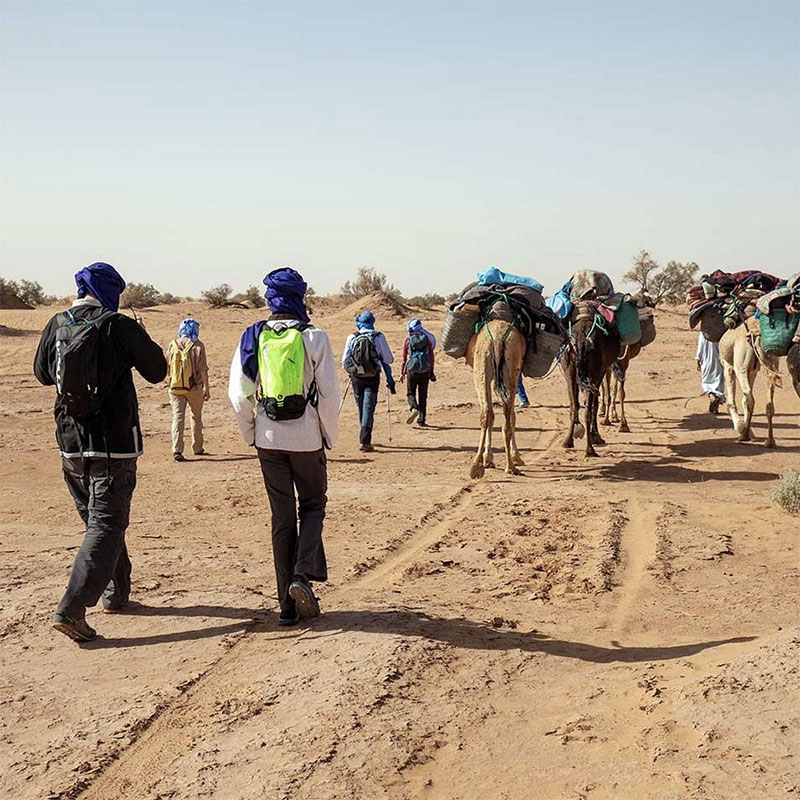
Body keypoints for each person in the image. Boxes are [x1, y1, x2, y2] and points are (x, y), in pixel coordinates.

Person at [33, 262, 167, 642]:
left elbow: (42, 373)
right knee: (106, 525)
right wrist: (141, 338)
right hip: (114, 445)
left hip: (70, 443)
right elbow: (157, 370)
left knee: (99, 524)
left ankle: (115, 592)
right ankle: (72, 609)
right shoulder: (117, 324)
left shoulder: (57, 323)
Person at [228, 267, 339, 627]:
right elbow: (328, 395)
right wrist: (327, 436)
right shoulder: (314, 337)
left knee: (281, 517)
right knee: (313, 504)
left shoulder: (252, 336)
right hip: (306, 438)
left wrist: (251, 433)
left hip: (268, 439)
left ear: (269, 299)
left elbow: (239, 393)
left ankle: (286, 608)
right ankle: (301, 577)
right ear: (300, 298)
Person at [342, 311, 395, 452]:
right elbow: (388, 359)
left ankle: (364, 434)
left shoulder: (352, 337)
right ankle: (365, 440)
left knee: (361, 406)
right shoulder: (378, 336)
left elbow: (344, 361)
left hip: (357, 377)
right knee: (369, 407)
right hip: (372, 376)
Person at [166, 318, 210, 461]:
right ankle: (197, 447)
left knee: (177, 417)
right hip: (194, 387)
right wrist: (206, 388)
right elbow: (203, 369)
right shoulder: (198, 345)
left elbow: (167, 369)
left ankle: (177, 449)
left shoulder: (172, 345)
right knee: (196, 416)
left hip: (175, 387)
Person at [400, 317, 436, 426]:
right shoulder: (426, 339)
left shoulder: (407, 341)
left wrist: (402, 373)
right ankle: (422, 420)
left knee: (410, 392)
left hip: (412, 369)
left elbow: (403, 358)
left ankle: (414, 408)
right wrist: (431, 371)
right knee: (423, 395)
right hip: (425, 370)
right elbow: (431, 357)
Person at [696, 333, 725, 414]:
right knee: (718, 382)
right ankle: (715, 405)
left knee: (706, 382)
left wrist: (698, 359)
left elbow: (700, 347)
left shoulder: (703, 333)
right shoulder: (721, 332)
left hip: (706, 362)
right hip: (719, 362)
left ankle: (712, 396)